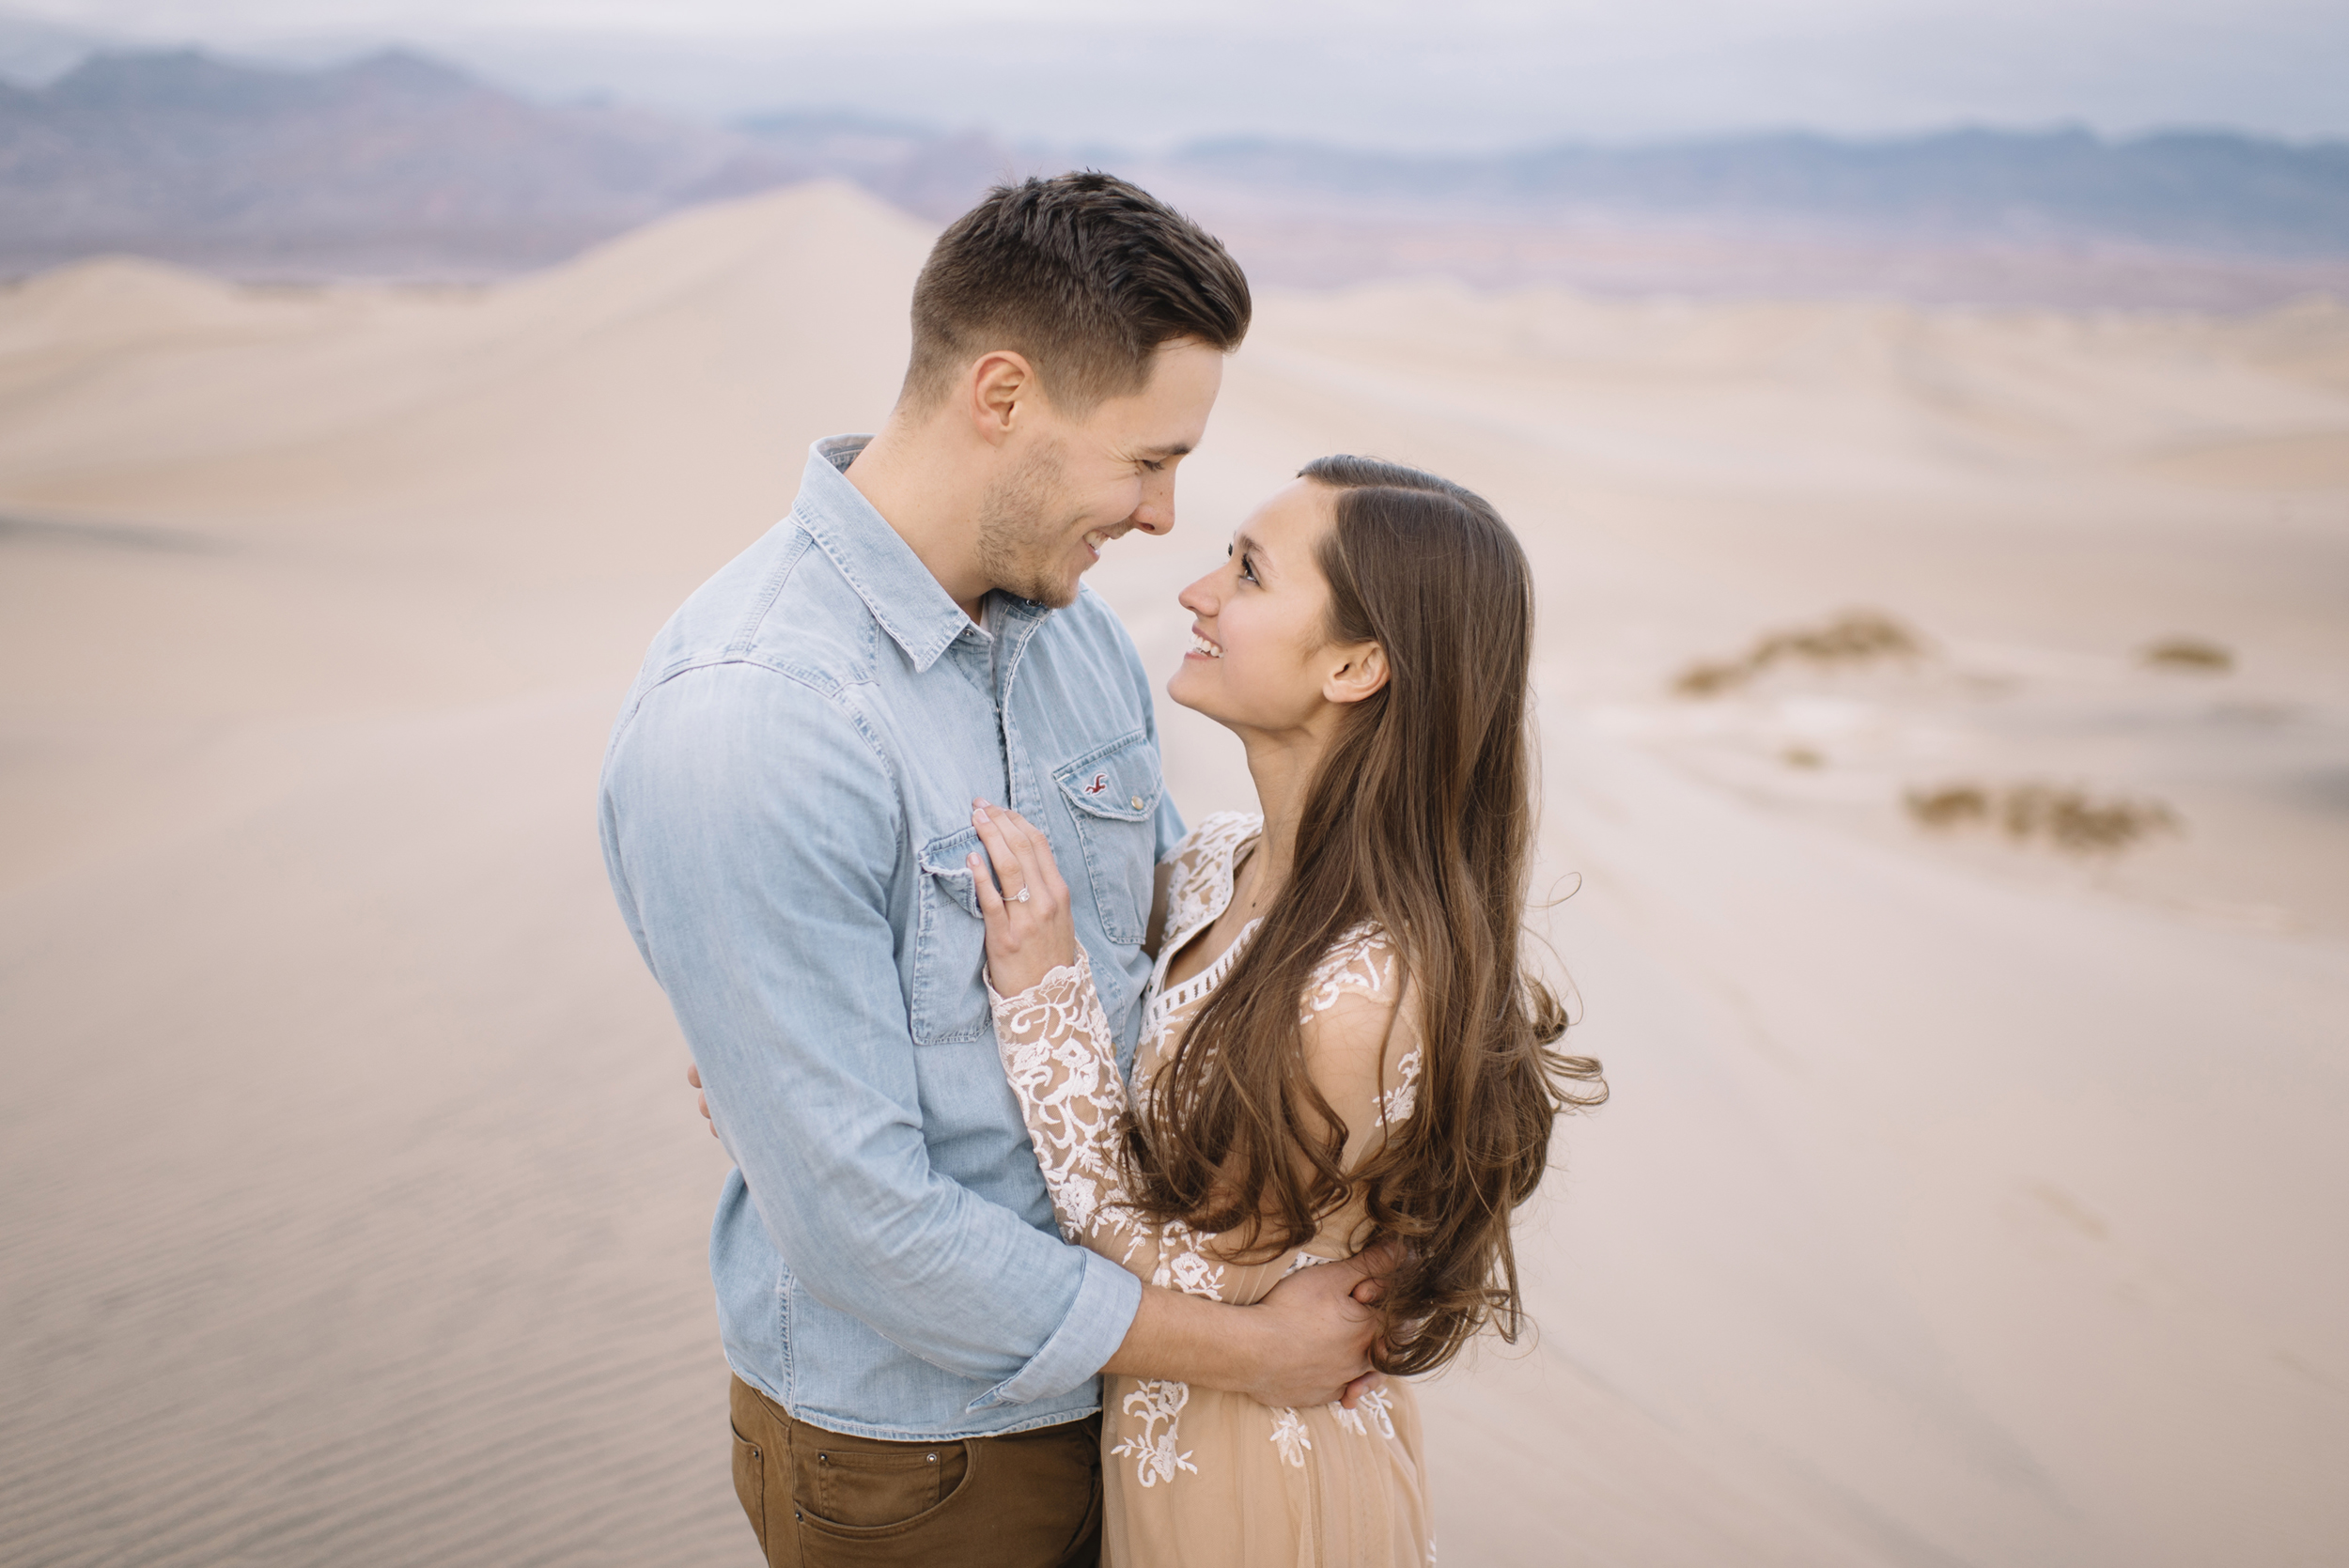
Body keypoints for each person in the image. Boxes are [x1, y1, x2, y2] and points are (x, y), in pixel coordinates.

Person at [599, 173, 1393, 1568]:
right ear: (1005, 395)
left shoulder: (1074, 636)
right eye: (1146, 459)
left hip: (1148, 1407)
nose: (1162, 518)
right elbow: (863, 1227)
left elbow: (1154, 982)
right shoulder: (756, 719)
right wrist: (1250, 1351)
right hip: (930, 1455)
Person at [961, 457, 1608, 1567]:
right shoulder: (1217, 863)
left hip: (1266, 1495)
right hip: (1165, 1466)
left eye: (1249, 573)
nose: (1197, 592)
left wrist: (1041, 1002)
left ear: (1356, 664)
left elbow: (1185, 1273)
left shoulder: (1367, 991)